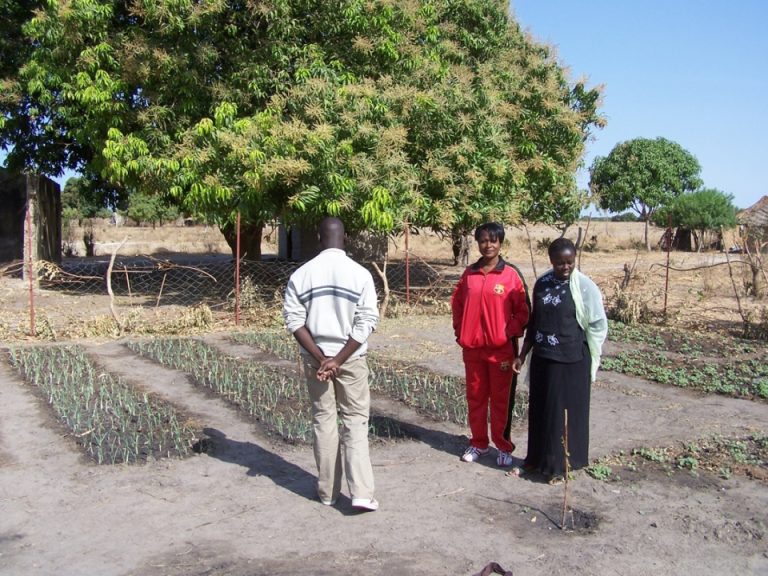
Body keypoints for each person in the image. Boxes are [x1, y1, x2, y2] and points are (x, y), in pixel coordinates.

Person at [283, 217, 380, 511]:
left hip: (316, 361)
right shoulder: (360, 274)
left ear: (318, 237)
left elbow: (294, 321)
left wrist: (322, 358)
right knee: (355, 422)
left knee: (324, 421)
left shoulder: (302, 274)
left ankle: (327, 493)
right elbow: (367, 322)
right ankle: (362, 493)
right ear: (346, 238)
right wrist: (338, 359)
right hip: (351, 359)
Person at [511, 237, 608, 484]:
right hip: (544, 358)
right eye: (559, 263)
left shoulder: (584, 287)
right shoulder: (542, 284)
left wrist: (593, 358)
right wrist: (522, 355)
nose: (565, 267)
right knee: (540, 411)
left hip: (571, 361)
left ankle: (559, 467)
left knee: (562, 414)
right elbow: (534, 323)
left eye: (569, 262)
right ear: (551, 261)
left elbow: (597, 325)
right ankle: (534, 461)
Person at [451, 222, 530, 467]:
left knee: (500, 400)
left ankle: (503, 446)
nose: (488, 245)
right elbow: (457, 305)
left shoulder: (511, 275)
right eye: (484, 240)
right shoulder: (469, 274)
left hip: (501, 352)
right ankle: (479, 443)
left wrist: (507, 333)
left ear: (500, 243)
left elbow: (523, 311)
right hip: (473, 350)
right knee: (475, 397)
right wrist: (461, 332)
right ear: (478, 243)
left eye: (493, 240)